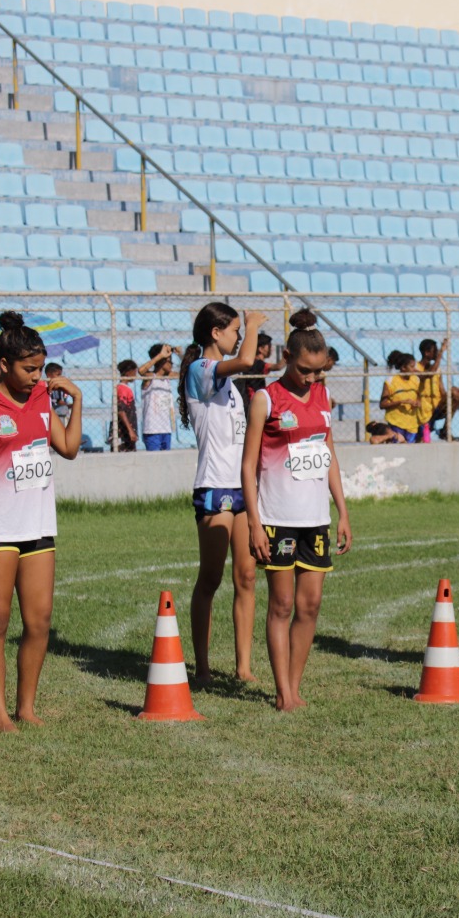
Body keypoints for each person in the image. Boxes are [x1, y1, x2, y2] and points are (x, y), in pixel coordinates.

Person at [0, 311, 83, 732]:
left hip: (39, 528)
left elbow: (68, 448)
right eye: (29, 369)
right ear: (3, 365)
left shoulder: (44, 398)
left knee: (39, 621)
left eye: (40, 368)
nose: (36, 376)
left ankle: (26, 706)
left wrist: (77, 401)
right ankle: (0, 714)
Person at [241, 310, 352, 712]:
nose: (311, 379)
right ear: (287, 356)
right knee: (282, 605)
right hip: (277, 519)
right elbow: (248, 464)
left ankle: (295, 684)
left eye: (319, 372)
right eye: (305, 370)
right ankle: (282, 691)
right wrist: (254, 522)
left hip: (315, 520)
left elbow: (329, 454)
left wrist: (342, 510)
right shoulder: (265, 399)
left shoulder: (322, 397)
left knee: (310, 606)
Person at [179, 302, 262, 685]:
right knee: (210, 578)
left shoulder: (226, 382)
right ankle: (202, 664)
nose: (239, 336)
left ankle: (243, 665)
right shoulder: (201, 370)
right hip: (214, 487)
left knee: (246, 576)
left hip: (241, 488)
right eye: (234, 330)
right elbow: (247, 360)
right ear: (215, 332)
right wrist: (255, 323)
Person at [379, 351, 423, 442]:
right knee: (397, 451)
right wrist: (400, 402)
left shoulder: (416, 380)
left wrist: (418, 402)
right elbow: (382, 404)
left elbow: (419, 396)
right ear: (403, 368)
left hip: (412, 424)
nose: (414, 369)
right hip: (396, 423)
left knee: (410, 453)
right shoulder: (391, 381)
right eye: (411, 367)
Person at [139, 344, 177, 451]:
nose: (172, 364)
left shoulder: (167, 378)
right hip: (152, 430)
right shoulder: (150, 377)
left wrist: (181, 354)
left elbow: (186, 372)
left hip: (166, 429)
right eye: (169, 361)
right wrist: (160, 355)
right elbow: (141, 371)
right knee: (154, 462)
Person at [416, 337, 450, 439]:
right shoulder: (416, 368)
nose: (437, 354)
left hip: (437, 405)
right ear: (426, 353)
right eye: (435, 351)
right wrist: (441, 353)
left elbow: (442, 388)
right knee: (421, 438)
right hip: (423, 406)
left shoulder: (438, 369)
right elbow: (430, 374)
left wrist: (448, 399)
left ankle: (445, 429)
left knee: (455, 393)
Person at [114, 359, 139, 449]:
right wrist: (130, 430)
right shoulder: (122, 389)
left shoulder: (125, 388)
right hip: (123, 433)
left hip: (127, 431)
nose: (136, 375)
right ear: (128, 372)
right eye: (134, 372)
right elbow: (121, 410)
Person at [45, 362, 73, 428]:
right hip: (53, 414)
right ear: (49, 375)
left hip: (60, 413)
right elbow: (58, 401)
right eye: (58, 375)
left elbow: (64, 397)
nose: (60, 377)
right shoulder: (47, 387)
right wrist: (68, 405)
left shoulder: (60, 387)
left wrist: (66, 394)